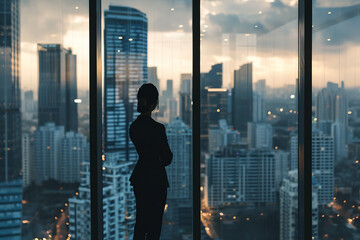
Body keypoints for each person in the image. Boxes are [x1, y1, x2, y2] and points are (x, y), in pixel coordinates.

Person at [129, 83, 173, 240]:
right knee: (154, 225)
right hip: (156, 181)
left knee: (141, 221)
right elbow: (168, 157)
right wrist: (158, 159)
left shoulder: (133, 127)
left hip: (140, 178)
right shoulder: (158, 128)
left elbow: (145, 151)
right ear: (154, 104)